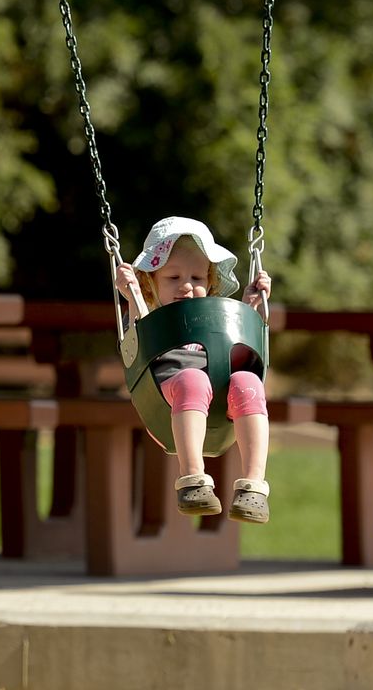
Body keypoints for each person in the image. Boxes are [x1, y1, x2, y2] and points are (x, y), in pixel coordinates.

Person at [114, 216, 273, 524]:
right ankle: (193, 480)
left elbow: (238, 346)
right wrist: (131, 295)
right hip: (166, 397)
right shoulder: (148, 313)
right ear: (150, 284)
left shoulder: (213, 321)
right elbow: (135, 336)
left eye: (197, 279)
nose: (187, 286)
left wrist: (250, 305)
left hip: (221, 398)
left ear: (210, 282)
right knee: (192, 379)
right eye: (173, 278)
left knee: (247, 381)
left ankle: (254, 487)